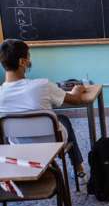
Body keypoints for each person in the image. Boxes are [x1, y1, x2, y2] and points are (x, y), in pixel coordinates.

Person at [0, 39, 88, 183]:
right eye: (28, 56)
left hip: (18, 149)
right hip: (52, 145)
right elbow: (76, 100)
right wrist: (77, 90)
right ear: (22, 62)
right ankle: (79, 170)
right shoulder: (42, 85)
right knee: (63, 119)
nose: (30, 60)